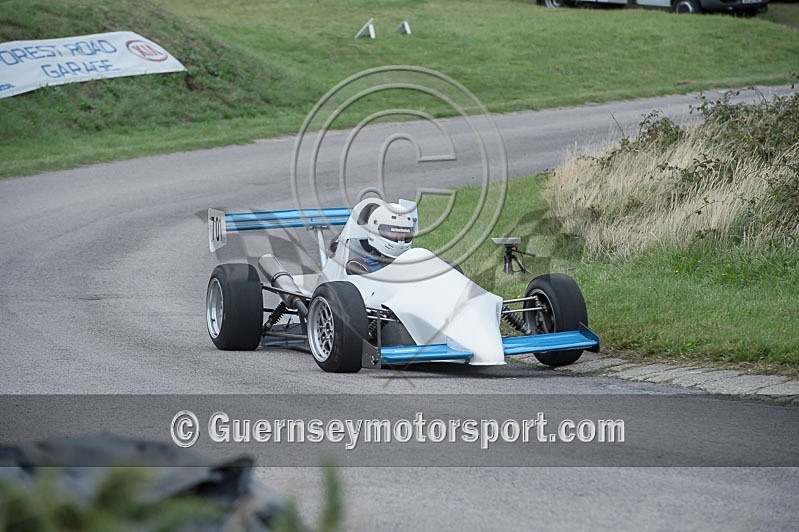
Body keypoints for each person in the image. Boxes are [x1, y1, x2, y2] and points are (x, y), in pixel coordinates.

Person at [345, 202, 414, 275]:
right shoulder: (358, 266)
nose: (400, 238)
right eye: (394, 232)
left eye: (405, 233)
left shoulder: (412, 262)